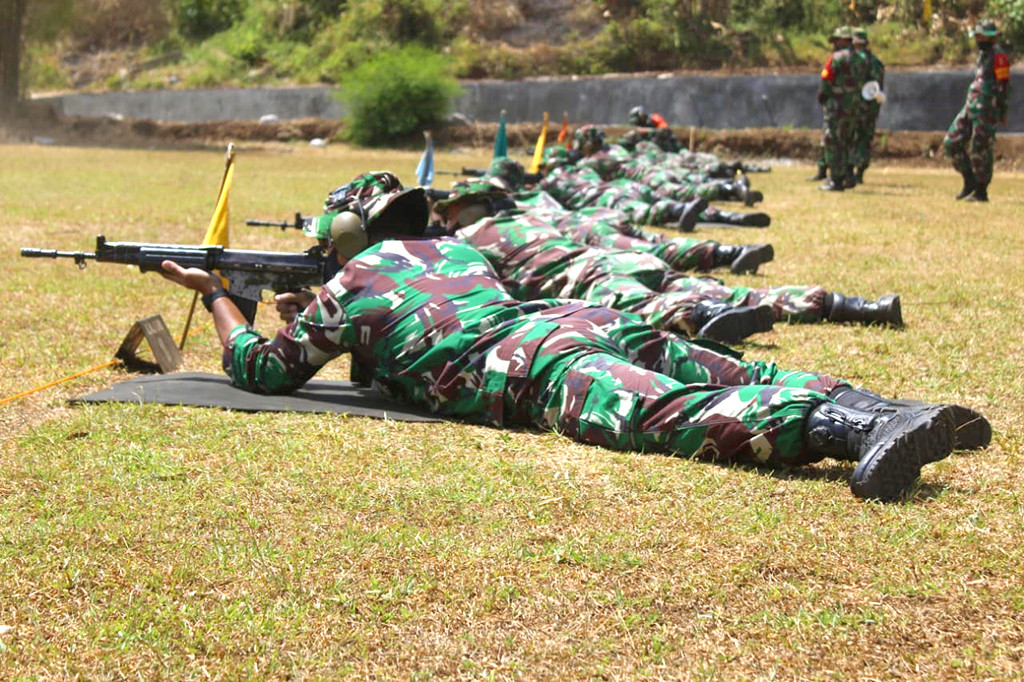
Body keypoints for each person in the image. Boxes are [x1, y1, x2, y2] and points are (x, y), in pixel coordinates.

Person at [159, 173, 989, 502]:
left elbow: (265, 372)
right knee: (722, 363)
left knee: (679, 413)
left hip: (536, 365)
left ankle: (857, 430)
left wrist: (222, 298)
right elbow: (412, 326)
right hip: (570, 324)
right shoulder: (450, 247)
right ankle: (892, 407)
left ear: (343, 232)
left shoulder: (350, 283)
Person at [944, 19, 1011, 202]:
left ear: (991, 38)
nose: (978, 39)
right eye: (978, 36)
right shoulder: (982, 56)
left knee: (980, 147)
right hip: (971, 106)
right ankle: (969, 180)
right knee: (952, 141)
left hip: (987, 108)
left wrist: (1003, 110)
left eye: (982, 36)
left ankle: (981, 191)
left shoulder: (999, 57)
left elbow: (1004, 86)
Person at [816, 26, 863, 192]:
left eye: (837, 40)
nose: (834, 43)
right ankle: (849, 176)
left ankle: (836, 180)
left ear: (844, 40)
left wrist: (823, 96)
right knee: (849, 140)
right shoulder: (861, 59)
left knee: (834, 142)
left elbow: (826, 80)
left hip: (837, 106)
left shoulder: (836, 58)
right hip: (855, 107)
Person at [849, 27, 885, 185]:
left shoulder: (852, 60)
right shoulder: (876, 62)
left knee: (851, 137)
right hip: (871, 106)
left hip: (854, 106)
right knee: (865, 139)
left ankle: (849, 170)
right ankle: (860, 172)